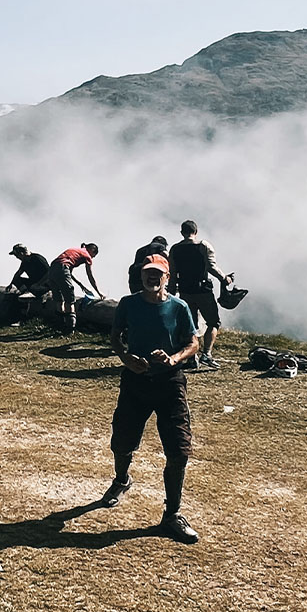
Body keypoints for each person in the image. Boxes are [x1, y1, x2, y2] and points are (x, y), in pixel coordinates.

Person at [102, 254, 201, 543]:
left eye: (158, 273)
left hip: (170, 383)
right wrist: (125, 357)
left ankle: (172, 515)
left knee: (179, 451)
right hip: (135, 382)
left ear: (167, 278)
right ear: (141, 276)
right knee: (122, 441)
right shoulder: (128, 304)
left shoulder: (179, 306)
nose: (152, 277)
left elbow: (193, 342)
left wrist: (173, 359)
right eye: (147, 272)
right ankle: (121, 480)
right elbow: (115, 336)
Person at [168, 220, 233, 369]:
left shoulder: (175, 249)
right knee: (213, 322)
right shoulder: (203, 246)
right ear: (196, 232)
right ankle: (207, 354)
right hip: (203, 290)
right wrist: (224, 278)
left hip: (185, 291)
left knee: (191, 325)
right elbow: (211, 267)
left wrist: (171, 293)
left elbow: (172, 273)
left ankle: (192, 357)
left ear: (181, 232)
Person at [47, 243, 103, 333]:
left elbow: (69, 272)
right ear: (92, 250)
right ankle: (70, 329)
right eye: (94, 256)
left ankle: (59, 325)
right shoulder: (86, 255)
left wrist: (80, 284)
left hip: (53, 268)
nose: (92, 258)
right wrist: (98, 292)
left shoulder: (75, 251)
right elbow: (90, 276)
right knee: (69, 300)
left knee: (59, 299)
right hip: (62, 267)